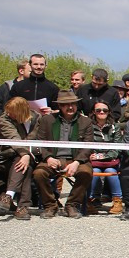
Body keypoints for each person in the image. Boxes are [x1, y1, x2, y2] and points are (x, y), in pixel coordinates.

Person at [32, 90, 94, 218]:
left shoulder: (86, 122)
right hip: (53, 158)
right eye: (66, 104)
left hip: (76, 159)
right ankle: (50, 205)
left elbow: (88, 146)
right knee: (39, 173)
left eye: (73, 104)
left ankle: (72, 205)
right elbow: (39, 142)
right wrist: (48, 157)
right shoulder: (47, 120)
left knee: (86, 173)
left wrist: (77, 162)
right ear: (59, 106)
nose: (70, 107)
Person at [0, 97, 36, 219]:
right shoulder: (5, 119)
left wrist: (27, 155)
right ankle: (21, 207)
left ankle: (9, 198)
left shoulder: (38, 119)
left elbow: (36, 138)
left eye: (11, 111)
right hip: (11, 155)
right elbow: (13, 138)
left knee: (24, 164)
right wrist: (25, 155)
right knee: (24, 167)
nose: (7, 113)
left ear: (21, 112)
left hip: (34, 154)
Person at [87, 101, 123, 215]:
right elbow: (86, 144)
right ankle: (90, 200)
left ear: (109, 112)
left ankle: (117, 200)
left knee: (111, 172)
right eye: (98, 110)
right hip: (93, 160)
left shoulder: (115, 126)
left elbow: (118, 147)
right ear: (93, 112)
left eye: (105, 110)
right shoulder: (88, 126)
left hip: (110, 160)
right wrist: (92, 155)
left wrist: (103, 156)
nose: (102, 112)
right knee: (94, 172)